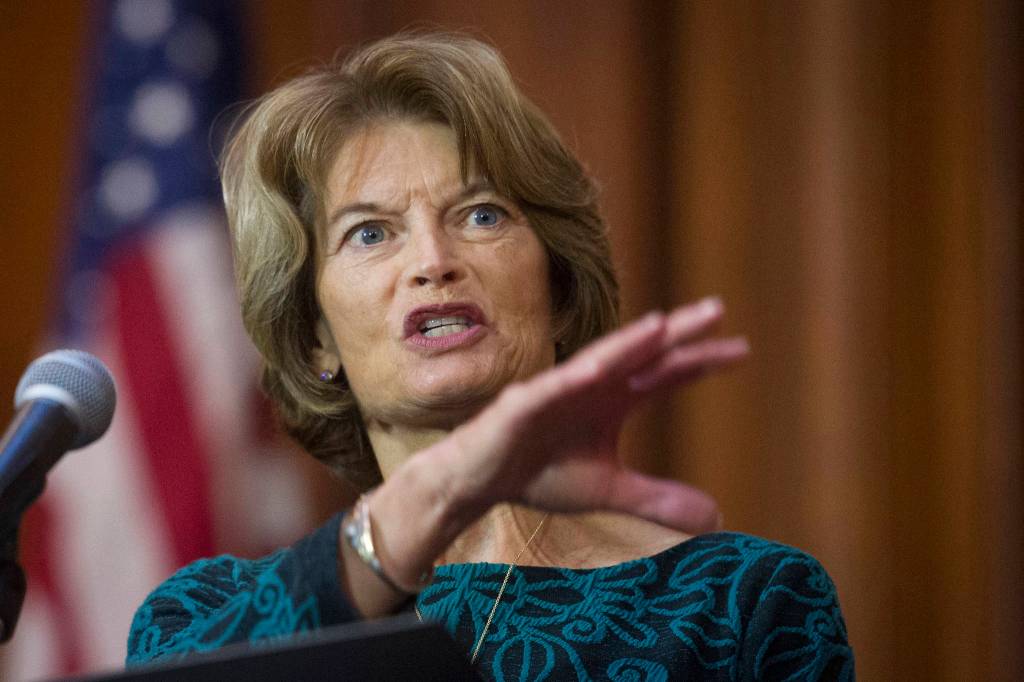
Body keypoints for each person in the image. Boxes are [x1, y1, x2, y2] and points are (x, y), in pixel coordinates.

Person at [126, 32, 854, 680]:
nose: (433, 261)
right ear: (316, 337)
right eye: (371, 233)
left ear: (559, 294)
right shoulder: (202, 620)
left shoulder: (744, 605)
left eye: (481, 215)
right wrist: (428, 504)